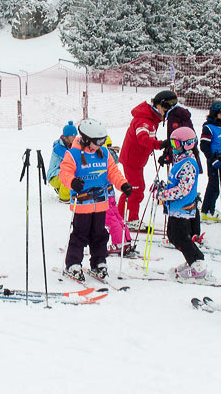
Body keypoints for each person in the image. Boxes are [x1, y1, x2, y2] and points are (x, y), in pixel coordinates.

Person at [59, 118, 131, 282]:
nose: (100, 145)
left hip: (100, 204)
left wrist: (123, 185)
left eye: (102, 141)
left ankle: (99, 262)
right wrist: (72, 182)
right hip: (83, 205)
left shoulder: (104, 153)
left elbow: (113, 172)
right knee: (80, 234)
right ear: (85, 138)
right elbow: (64, 172)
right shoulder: (73, 153)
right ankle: (73, 264)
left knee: (99, 234)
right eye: (97, 142)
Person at [156, 126, 207, 279]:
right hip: (175, 207)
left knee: (179, 237)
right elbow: (176, 183)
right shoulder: (181, 161)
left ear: (188, 144)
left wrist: (164, 194)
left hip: (183, 207)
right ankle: (193, 259)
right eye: (172, 144)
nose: (173, 148)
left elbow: (183, 189)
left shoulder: (189, 164)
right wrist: (164, 187)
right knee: (172, 235)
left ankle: (197, 263)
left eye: (176, 144)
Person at [117, 90, 172, 225]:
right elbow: (143, 139)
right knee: (135, 189)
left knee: (133, 188)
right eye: (166, 108)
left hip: (138, 159)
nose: (167, 112)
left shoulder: (152, 118)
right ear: (158, 105)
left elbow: (148, 136)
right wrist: (159, 144)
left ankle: (118, 216)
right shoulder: (144, 120)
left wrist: (155, 143)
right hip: (132, 159)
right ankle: (130, 219)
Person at [199, 101, 221, 222]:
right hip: (215, 159)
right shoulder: (209, 127)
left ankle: (210, 209)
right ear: (215, 114)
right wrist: (212, 159)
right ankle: (207, 210)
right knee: (214, 186)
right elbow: (204, 146)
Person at [46, 121, 77, 203]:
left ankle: (63, 190)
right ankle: (64, 197)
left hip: (59, 173)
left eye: (75, 136)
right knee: (70, 171)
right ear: (67, 136)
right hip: (54, 176)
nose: (75, 138)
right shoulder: (59, 147)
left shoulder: (69, 145)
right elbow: (72, 159)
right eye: (73, 136)